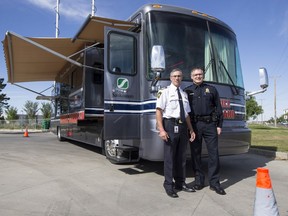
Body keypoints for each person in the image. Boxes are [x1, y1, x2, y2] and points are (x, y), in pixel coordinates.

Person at [184, 67, 226, 195]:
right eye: (195, 74)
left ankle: (215, 183)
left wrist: (219, 125)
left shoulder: (212, 89)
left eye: (200, 74)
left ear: (203, 75)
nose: (198, 76)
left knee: (214, 154)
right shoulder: (187, 91)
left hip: (210, 125)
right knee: (195, 154)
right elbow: (184, 110)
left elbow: (219, 108)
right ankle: (199, 181)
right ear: (191, 76)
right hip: (194, 126)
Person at [156, 68, 196, 198]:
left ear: (182, 78)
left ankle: (181, 183)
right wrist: (161, 130)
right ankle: (168, 185)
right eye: (175, 76)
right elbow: (159, 111)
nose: (177, 78)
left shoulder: (184, 94)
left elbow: (187, 114)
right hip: (170, 125)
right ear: (170, 78)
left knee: (181, 157)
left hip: (183, 126)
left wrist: (191, 129)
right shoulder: (165, 92)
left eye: (179, 76)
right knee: (169, 157)